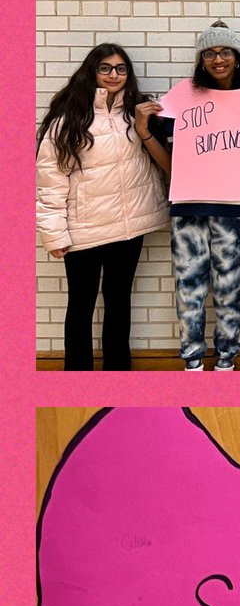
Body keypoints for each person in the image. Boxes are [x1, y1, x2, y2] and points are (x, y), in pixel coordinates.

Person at [36, 44, 169, 370]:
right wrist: (54, 233)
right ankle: (77, 379)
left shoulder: (138, 114)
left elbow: (166, 164)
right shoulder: (69, 120)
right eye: (106, 68)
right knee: (80, 306)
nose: (114, 75)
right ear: (92, 71)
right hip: (84, 229)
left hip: (128, 227)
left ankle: (117, 374)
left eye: (121, 68)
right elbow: (50, 179)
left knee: (119, 303)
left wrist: (144, 126)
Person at [152, 22, 240, 370]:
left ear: (237, 57)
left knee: (228, 288)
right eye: (209, 53)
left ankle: (226, 361)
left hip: (233, 208)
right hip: (188, 206)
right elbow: (170, 157)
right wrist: (145, 128)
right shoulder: (181, 97)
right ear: (201, 60)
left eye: (225, 52)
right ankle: (192, 362)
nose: (218, 59)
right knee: (188, 289)